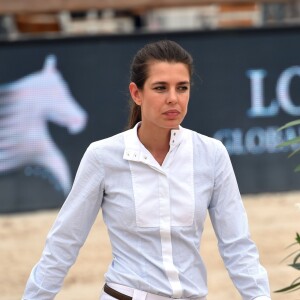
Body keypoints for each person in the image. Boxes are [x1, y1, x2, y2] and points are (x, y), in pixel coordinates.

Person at [22, 40, 271, 300]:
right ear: (136, 93)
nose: (173, 98)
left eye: (182, 88)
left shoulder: (212, 154)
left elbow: (238, 246)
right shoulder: (102, 156)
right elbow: (64, 243)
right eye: (160, 88)